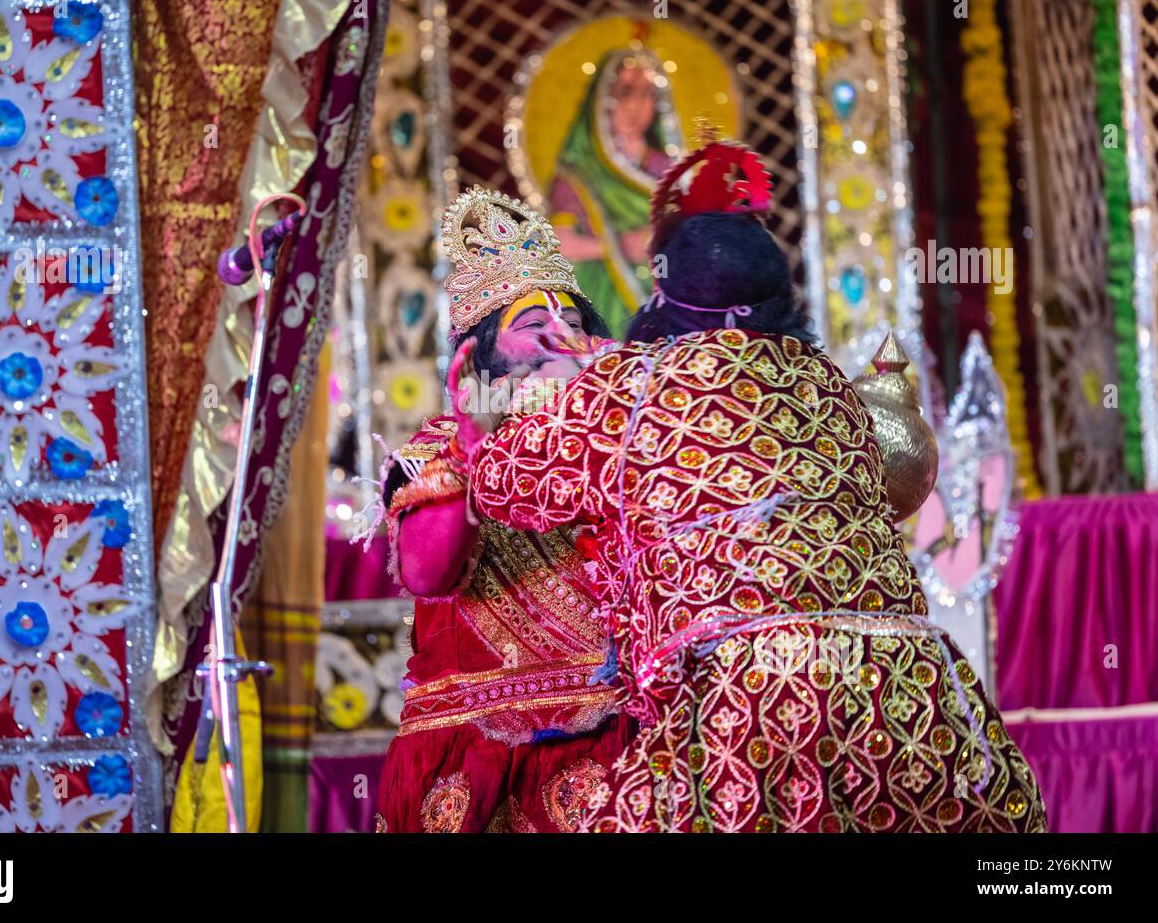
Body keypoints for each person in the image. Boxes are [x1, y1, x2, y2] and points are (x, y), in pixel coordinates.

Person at [448, 142, 1046, 832]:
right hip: (911, 686)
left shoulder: (632, 387)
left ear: (662, 300)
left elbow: (498, 484)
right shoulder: (829, 384)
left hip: (749, 689)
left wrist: (477, 403)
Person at [373, 187, 633, 832]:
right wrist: (470, 453)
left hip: (620, 740)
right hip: (479, 754)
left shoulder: (631, 440)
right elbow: (427, 574)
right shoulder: (436, 447)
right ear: (481, 352)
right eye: (529, 324)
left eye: (574, 321)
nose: (561, 333)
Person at [548, 48, 676, 335]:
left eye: (646, 94)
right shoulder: (577, 175)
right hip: (605, 305)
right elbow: (559, 245)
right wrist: (616, 247)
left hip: (667, 308)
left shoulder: (668, 170)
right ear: (600, 102)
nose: (635, 106)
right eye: (624, 93)